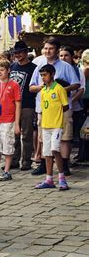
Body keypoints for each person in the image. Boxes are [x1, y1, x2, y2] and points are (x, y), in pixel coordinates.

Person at [30, 37, 80, 176]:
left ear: (57, 50)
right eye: (46, 48)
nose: (48, 51)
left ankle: (63, 164)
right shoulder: (40, 66)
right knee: (43, 137)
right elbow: (31, 87)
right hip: (44, 108)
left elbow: (76, 84)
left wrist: (61, 90)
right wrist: (43, 87)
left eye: (51, 48)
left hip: (63, 108)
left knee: (64, 136)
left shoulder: (66, 66)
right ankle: (45, 164)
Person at [35, 64, 69, 190]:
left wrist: (58, 118)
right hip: (46, 125)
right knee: (47, 153)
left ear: (52, 74)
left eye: (45, 75)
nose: (43, 78)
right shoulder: (43, 91)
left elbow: (65, 106)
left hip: (56, 126)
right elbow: (43, 109)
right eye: (41, 75)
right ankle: (49, 179)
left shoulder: (59, 89)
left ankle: (62, 178)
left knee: (55, 150)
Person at [0, 60, 21, 181]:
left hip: (8, 119)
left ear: (8, 71)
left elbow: (18, 104)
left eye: (2, 70)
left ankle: (7, 170)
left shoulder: (14, 85)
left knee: (8, 144)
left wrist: (17, 123)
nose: (0, 72)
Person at [10, 41, 37, 171]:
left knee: (26, 133)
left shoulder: (33, 68)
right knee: (14, 133)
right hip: (13, 105)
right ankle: (14, 160)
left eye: (20, 52)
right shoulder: (12, 66)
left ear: (26, 52)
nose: (18, 55)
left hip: (27, 104)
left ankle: (26, 160)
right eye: (16, 53)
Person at [59, 46, 85, 166]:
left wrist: (70, 101)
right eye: (61, 55)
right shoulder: (57, 69)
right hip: (58, 107)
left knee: (69, 135)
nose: (63, 58)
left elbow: (81, 89)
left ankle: (66, 158)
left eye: (66, 55)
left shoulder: (77, 70)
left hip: (75, 106)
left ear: (71, 57)